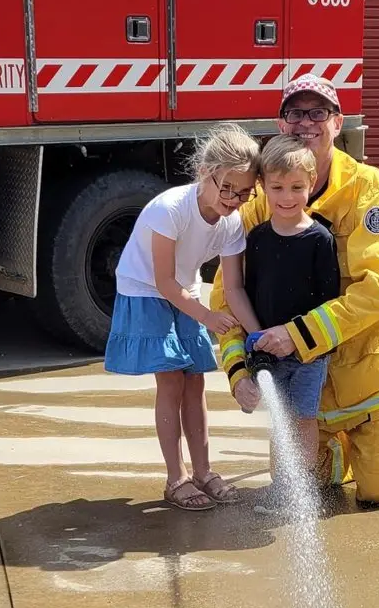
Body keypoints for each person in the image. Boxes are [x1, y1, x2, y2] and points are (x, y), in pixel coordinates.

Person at [209, 74, 379, 505]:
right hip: (305, 385)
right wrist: (239, 371)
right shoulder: (259, 200)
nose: (306, 123)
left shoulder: (369, 190)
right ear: (280, 124)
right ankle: (340, 449)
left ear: (337, 123)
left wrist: (294, 335)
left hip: (371, 373)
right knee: (298, 486)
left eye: (319, 113)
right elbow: (226, 295)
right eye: (296, 113)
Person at [105, 122, 260, 511]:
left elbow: (235, 288)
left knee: (196, 383)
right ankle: (176, 479)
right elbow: (162, 281)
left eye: (244, 192)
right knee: (172, 381)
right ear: (203, 173)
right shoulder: (170, 209)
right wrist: (207, 316)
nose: (234, 199)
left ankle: (204, 471)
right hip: (145, 290)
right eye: (227, 188)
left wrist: (258, 334)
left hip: (183, 290)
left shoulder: (231, 222)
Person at [220, 134, 340, 496]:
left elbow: (328, 300)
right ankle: (282, 482)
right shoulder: (256, 239)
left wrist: (300, 339)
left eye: (297, 187)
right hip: (268, 348)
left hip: (308, 354)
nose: (287, 197)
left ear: (311, 184)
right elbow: (247, 291)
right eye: (278, 187)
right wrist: (256, 339)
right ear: (263, 187)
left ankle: (298, 486)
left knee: (303, 418)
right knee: (281, 418)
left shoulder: (321, 240)